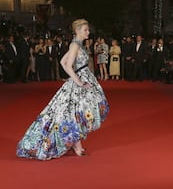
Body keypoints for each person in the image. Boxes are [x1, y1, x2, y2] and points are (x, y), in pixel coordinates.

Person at [16, 19, 110, 160]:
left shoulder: (78, 44)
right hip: (79, 82)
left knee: (79, 112)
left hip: (83, 79)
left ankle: (75, 141)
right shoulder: (74, 45)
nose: (88, 32)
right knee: (77, 113)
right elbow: (67, 66)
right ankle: (76, 144)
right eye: (85, 29)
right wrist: (78, 81)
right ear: (77, 30)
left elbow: (62, 61)